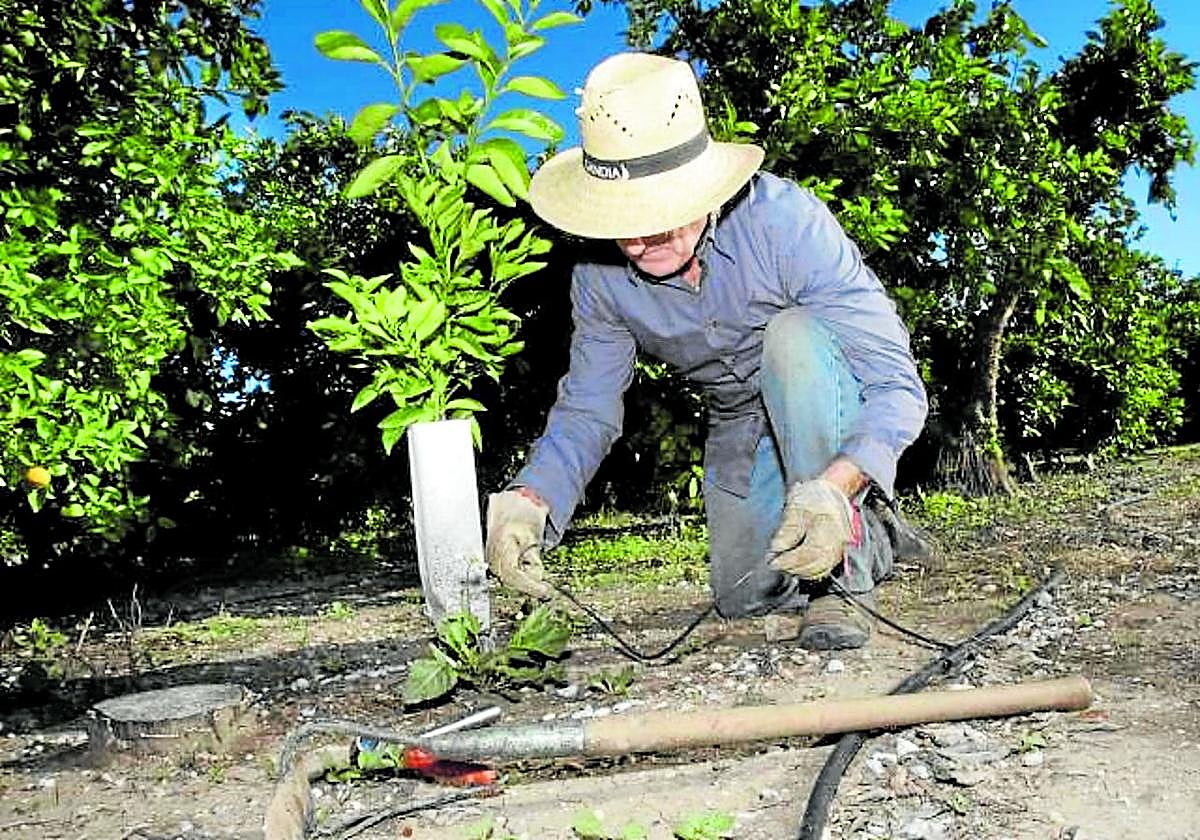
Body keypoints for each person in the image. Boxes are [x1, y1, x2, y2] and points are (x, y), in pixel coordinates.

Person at [484, 52, 929, 650]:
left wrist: (837, 484)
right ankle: (873, 533)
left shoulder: (785, 222)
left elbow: (897, 386)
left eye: (660, 220)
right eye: (622, 221)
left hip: (821, 385)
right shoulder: (598, 276)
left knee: (791, 340)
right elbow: (589, 408)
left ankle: (846, 564)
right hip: (739, 419)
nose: (639, 243)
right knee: (742, 596)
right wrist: (532, 498)